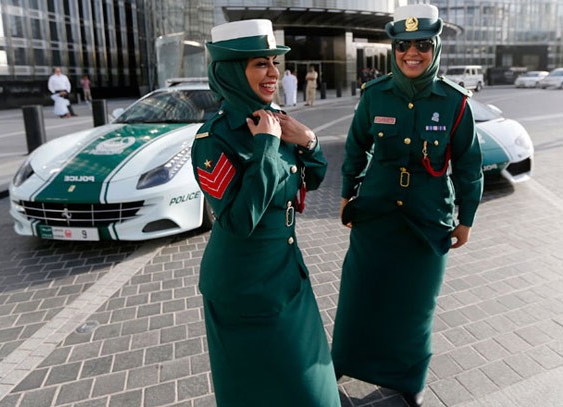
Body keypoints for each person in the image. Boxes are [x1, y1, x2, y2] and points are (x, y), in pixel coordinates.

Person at [331, 4, 483, 407]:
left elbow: (469, 167)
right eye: (402, 45)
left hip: (427, 221)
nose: (411, 53)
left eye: (421, 45)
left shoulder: (455, 102)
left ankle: (407, 379)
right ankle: (342, 362)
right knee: (360, 296)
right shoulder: (375, 95)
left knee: (414, 306)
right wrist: (348, 194)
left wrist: (465, 220)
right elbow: (355, 146)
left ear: (434, 47)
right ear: (393, 48)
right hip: (376, 216)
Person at [191, 19, 341, 407]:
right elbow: (240, 221)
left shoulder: (273, 120)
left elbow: (316, 179)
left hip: (288, 275)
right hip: (242, 287)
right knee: (255, 392)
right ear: (230, 71)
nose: (274, 72)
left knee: (315, 388)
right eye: (261, 63)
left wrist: (307, 140)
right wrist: (266, 149)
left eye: (274, 62)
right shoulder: (213, 139)